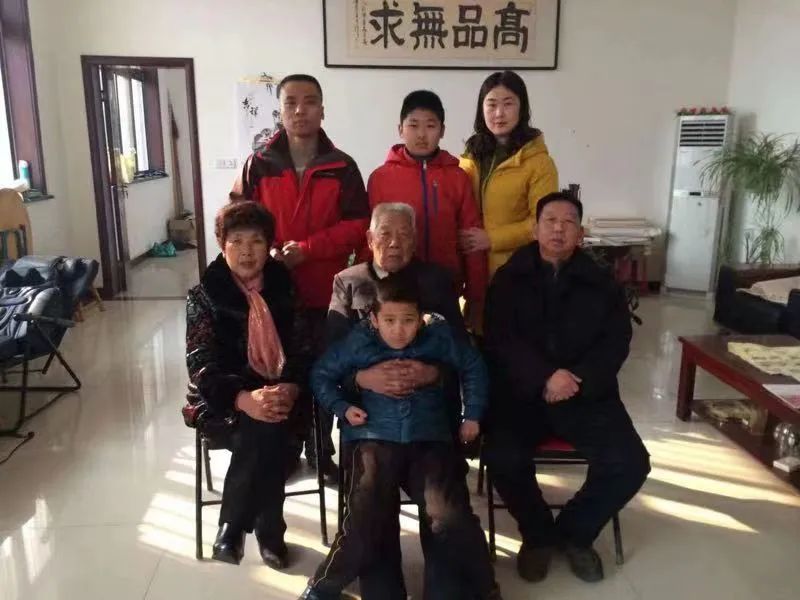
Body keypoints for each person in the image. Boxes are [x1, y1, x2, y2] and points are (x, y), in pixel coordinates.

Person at [483, 192, 651, 584]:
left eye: (568, 222)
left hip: (585, 393)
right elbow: (500, 340)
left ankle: (576, 532)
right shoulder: (509, 278)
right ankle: (537, 534)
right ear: (534, 229)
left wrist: (577, 380)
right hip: (523, 394)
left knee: (630, 463)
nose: (558, 229)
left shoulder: (601, 281)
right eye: (550, 220)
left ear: (581, 233)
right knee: (502, 457)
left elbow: (616, 341)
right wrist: (544, 377)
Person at [300, 274, 501, 600]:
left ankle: (485, 587)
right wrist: (343, 407)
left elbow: (473, 366)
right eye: (389, 321)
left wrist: (472, 414)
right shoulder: (359, 341)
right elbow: (321, 374)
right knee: (365, 520)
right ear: (374, 319)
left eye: (408, 320)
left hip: (428, 436)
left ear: (420, 318)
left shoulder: (438, 336)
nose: (398, 330)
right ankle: (322, 588)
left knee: (450, 518)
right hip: (373, 437)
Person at [328, 202, 472, 599]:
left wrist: (433, 373)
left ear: (415, 240)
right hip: (369, 422)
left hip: (428, 419)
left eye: (404, 234)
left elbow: (460, 353)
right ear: (369, 239)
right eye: (385, 234)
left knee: (443, 512)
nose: (394, 243)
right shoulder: (348, 282)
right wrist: (361, 378)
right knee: (373, 505)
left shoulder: (437, 282)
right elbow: (330, 356)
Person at [231, 74, 370, 481]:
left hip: (327, 291)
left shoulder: (342, 166)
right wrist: (269, 251)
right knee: (280, 370)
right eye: (291, 102)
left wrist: (308, 248)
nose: (300, 110)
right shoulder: (258, 164)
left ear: (322, 110)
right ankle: (288, 446)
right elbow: (240, 218)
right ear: (280, 111)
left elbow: (357, 225)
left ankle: (321, 449)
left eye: (309, 102)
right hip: (271, 291)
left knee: (325, 372)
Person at [185, 201, 300, 568]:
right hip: (225, 403)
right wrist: (244, 398)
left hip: (284, 395)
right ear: (223, 246)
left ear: (269, 246)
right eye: (237, 241)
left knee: (270, 417)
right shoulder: (204, 296)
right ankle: (269, 532)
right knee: (265, 425)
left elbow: (305, 348)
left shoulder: (284, 288)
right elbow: (200, 365)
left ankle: (232, 529)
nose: (247, 251)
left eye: (256, 241)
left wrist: (292, 387)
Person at [368, 90, 488, 331]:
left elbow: (472, 241)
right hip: (393, 295)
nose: (422, 134)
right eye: (413, 125)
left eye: (430, 126)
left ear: (442, 130)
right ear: (400, 129)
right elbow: (370, 240)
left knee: (446, 350)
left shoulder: (457, 177)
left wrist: (476, 298)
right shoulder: (380, 178)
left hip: (445, 292)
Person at [459, 70, 559, 277]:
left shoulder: (539, 163)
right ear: (481, 109)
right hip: (471, 269)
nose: (499, 113)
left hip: (517, 271)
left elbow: (543, 221)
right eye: (491, 104)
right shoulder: (469, 157)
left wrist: (492, 239)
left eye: (508, 104)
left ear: (522, 108)